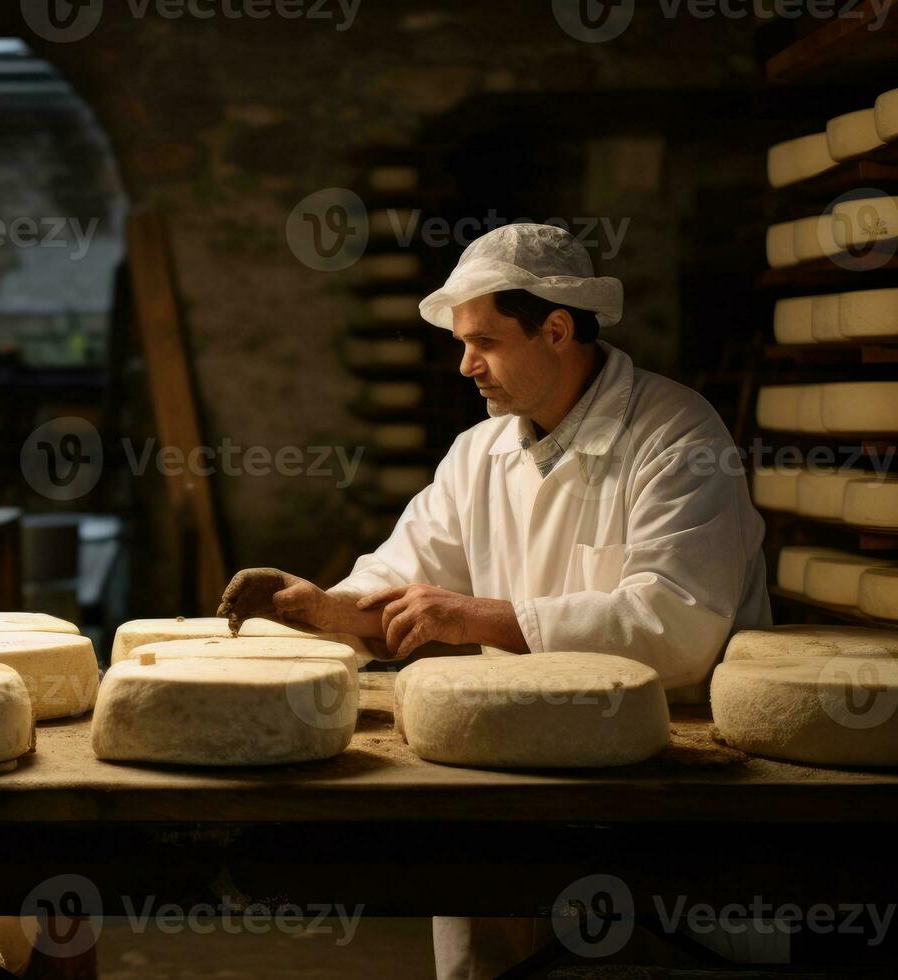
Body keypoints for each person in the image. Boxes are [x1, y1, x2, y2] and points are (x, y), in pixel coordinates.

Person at [219, 223, 773, 978]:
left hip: (660, 773)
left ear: (554, 329)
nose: (465, 364)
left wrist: (485, 617)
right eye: (460, 341)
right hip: (514, 768)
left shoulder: (676, 435)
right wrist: (317, 607)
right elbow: (402, 576)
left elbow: (678, 624)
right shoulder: (479, 454)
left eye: (484, 341)